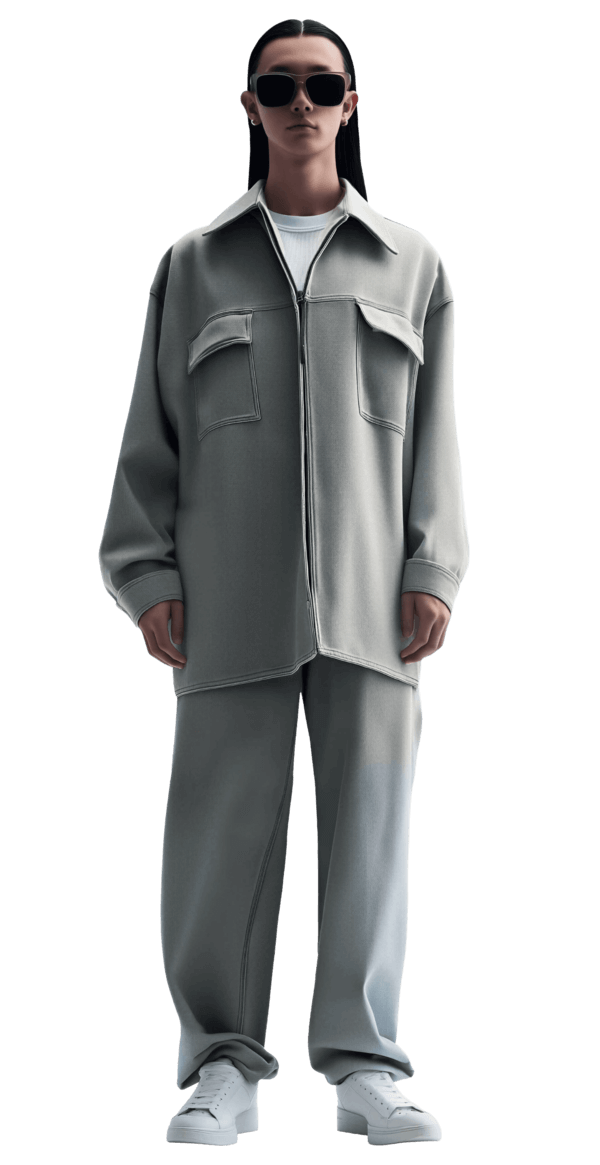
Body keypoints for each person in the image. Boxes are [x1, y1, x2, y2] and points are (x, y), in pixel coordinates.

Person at [98, 16, 469, 1149]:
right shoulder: (192, 263)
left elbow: (437, 436)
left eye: (321, 85)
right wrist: (146, 571)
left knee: (373, 836)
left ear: (351, 104)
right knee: (219, 836)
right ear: (250, 105)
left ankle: (365, 1068)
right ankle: (222, 1065)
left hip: (374, 602)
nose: (300, 103)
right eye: (278, 84)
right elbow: (151, 433)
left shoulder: (411, 264)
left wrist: (432, 563)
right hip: (227, 600)